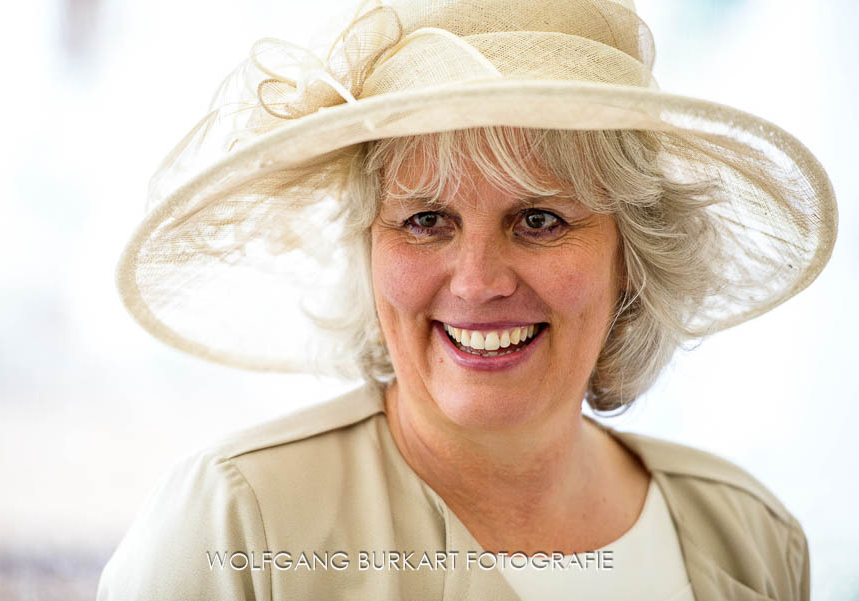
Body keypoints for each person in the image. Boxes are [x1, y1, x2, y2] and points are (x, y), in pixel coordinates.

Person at [99, 0, 836, 599]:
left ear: (632, 258)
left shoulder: (750, 536)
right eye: (426, 221)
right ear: (368, 249)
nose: (479, 280)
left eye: (539, 219)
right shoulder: (238, 523)